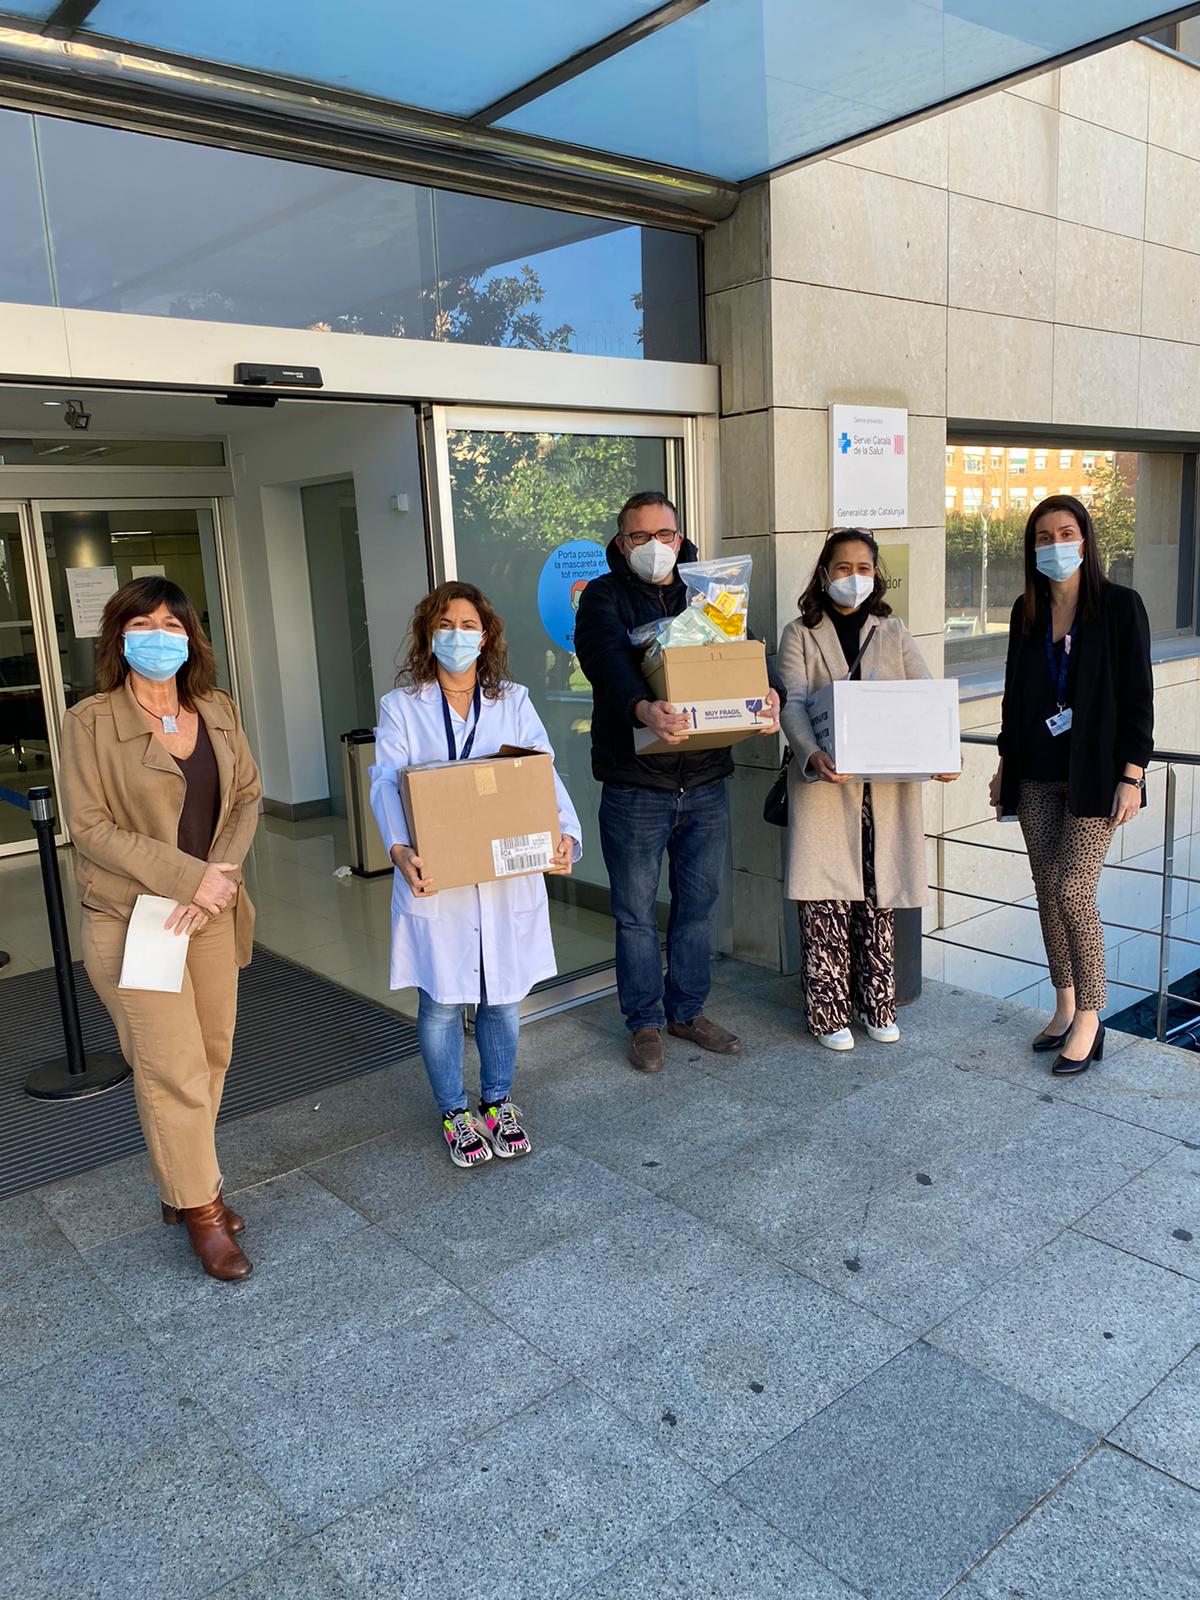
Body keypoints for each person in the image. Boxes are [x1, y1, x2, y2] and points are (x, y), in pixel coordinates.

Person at [59, 577, 261, 1281]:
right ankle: (203, 1208)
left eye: (172, 625)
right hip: (134, 918)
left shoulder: (216, 708)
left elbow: (246, 797)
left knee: (211, 1054)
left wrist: (215, 879)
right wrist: (186, 879)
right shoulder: (89, 722)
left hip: (209, 912)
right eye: (142, 624)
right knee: (170, 1067)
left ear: (191, 638)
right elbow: (89, 827)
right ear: (118, 638)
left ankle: (183, 1184)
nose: (158, 637)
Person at [370, 581, 580, 1167]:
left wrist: (565, 833)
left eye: (468, 626)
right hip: (437, 873)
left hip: (505, 875)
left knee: (502, 996)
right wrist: (398, 848)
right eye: (445, 624)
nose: (456, 635)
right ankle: (453, 1111)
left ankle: (497, 1102)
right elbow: (386, 781)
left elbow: (541, 772)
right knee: (441, 1000)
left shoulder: (512, 700)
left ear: (485, 637)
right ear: (427, 634)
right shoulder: (402, 706)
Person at [574, 491, 781, 1072]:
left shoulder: (709, 593)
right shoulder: (603, 597)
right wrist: (642, 708)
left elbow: (743, 655)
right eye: (639, 537)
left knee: (698, 906)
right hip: (635, 785)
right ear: (622, 544)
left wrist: (770, 695)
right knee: (636, 912)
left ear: (679, 537)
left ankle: (686, 1011)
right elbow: (606, 663)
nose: (653, 546)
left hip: (706, 781)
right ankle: (643, 1021)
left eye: (663, 535)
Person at [990, 495, 1153, 1076]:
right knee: (1045, 887)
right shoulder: (1025, 611)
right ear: (1031, 548)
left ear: (1084, 539)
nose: (1055, 544)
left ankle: (1091, 1014)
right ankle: (1063, 1004)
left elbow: (1138, 697)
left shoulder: (1120, 606)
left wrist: (1132, 774)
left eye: (1065, 533)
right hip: (1035, 771)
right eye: (1043, 536)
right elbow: (1013, 694)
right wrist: (1005, 763)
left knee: (1072, 888)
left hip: (1096, 777)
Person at [778, 528, 958, 1050]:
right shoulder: (800, 633)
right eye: (843, 567)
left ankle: (876, 1003)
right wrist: (811, 754)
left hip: (884, 792)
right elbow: (792, 702)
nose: (853, 577)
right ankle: (828, 1013)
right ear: (823, 573)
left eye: (863, 568)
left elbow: (925, 697)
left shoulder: (892, 631)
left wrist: (943, 752)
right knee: (825, 903)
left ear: (875, 574)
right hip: (826, 785)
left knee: (879, 900)